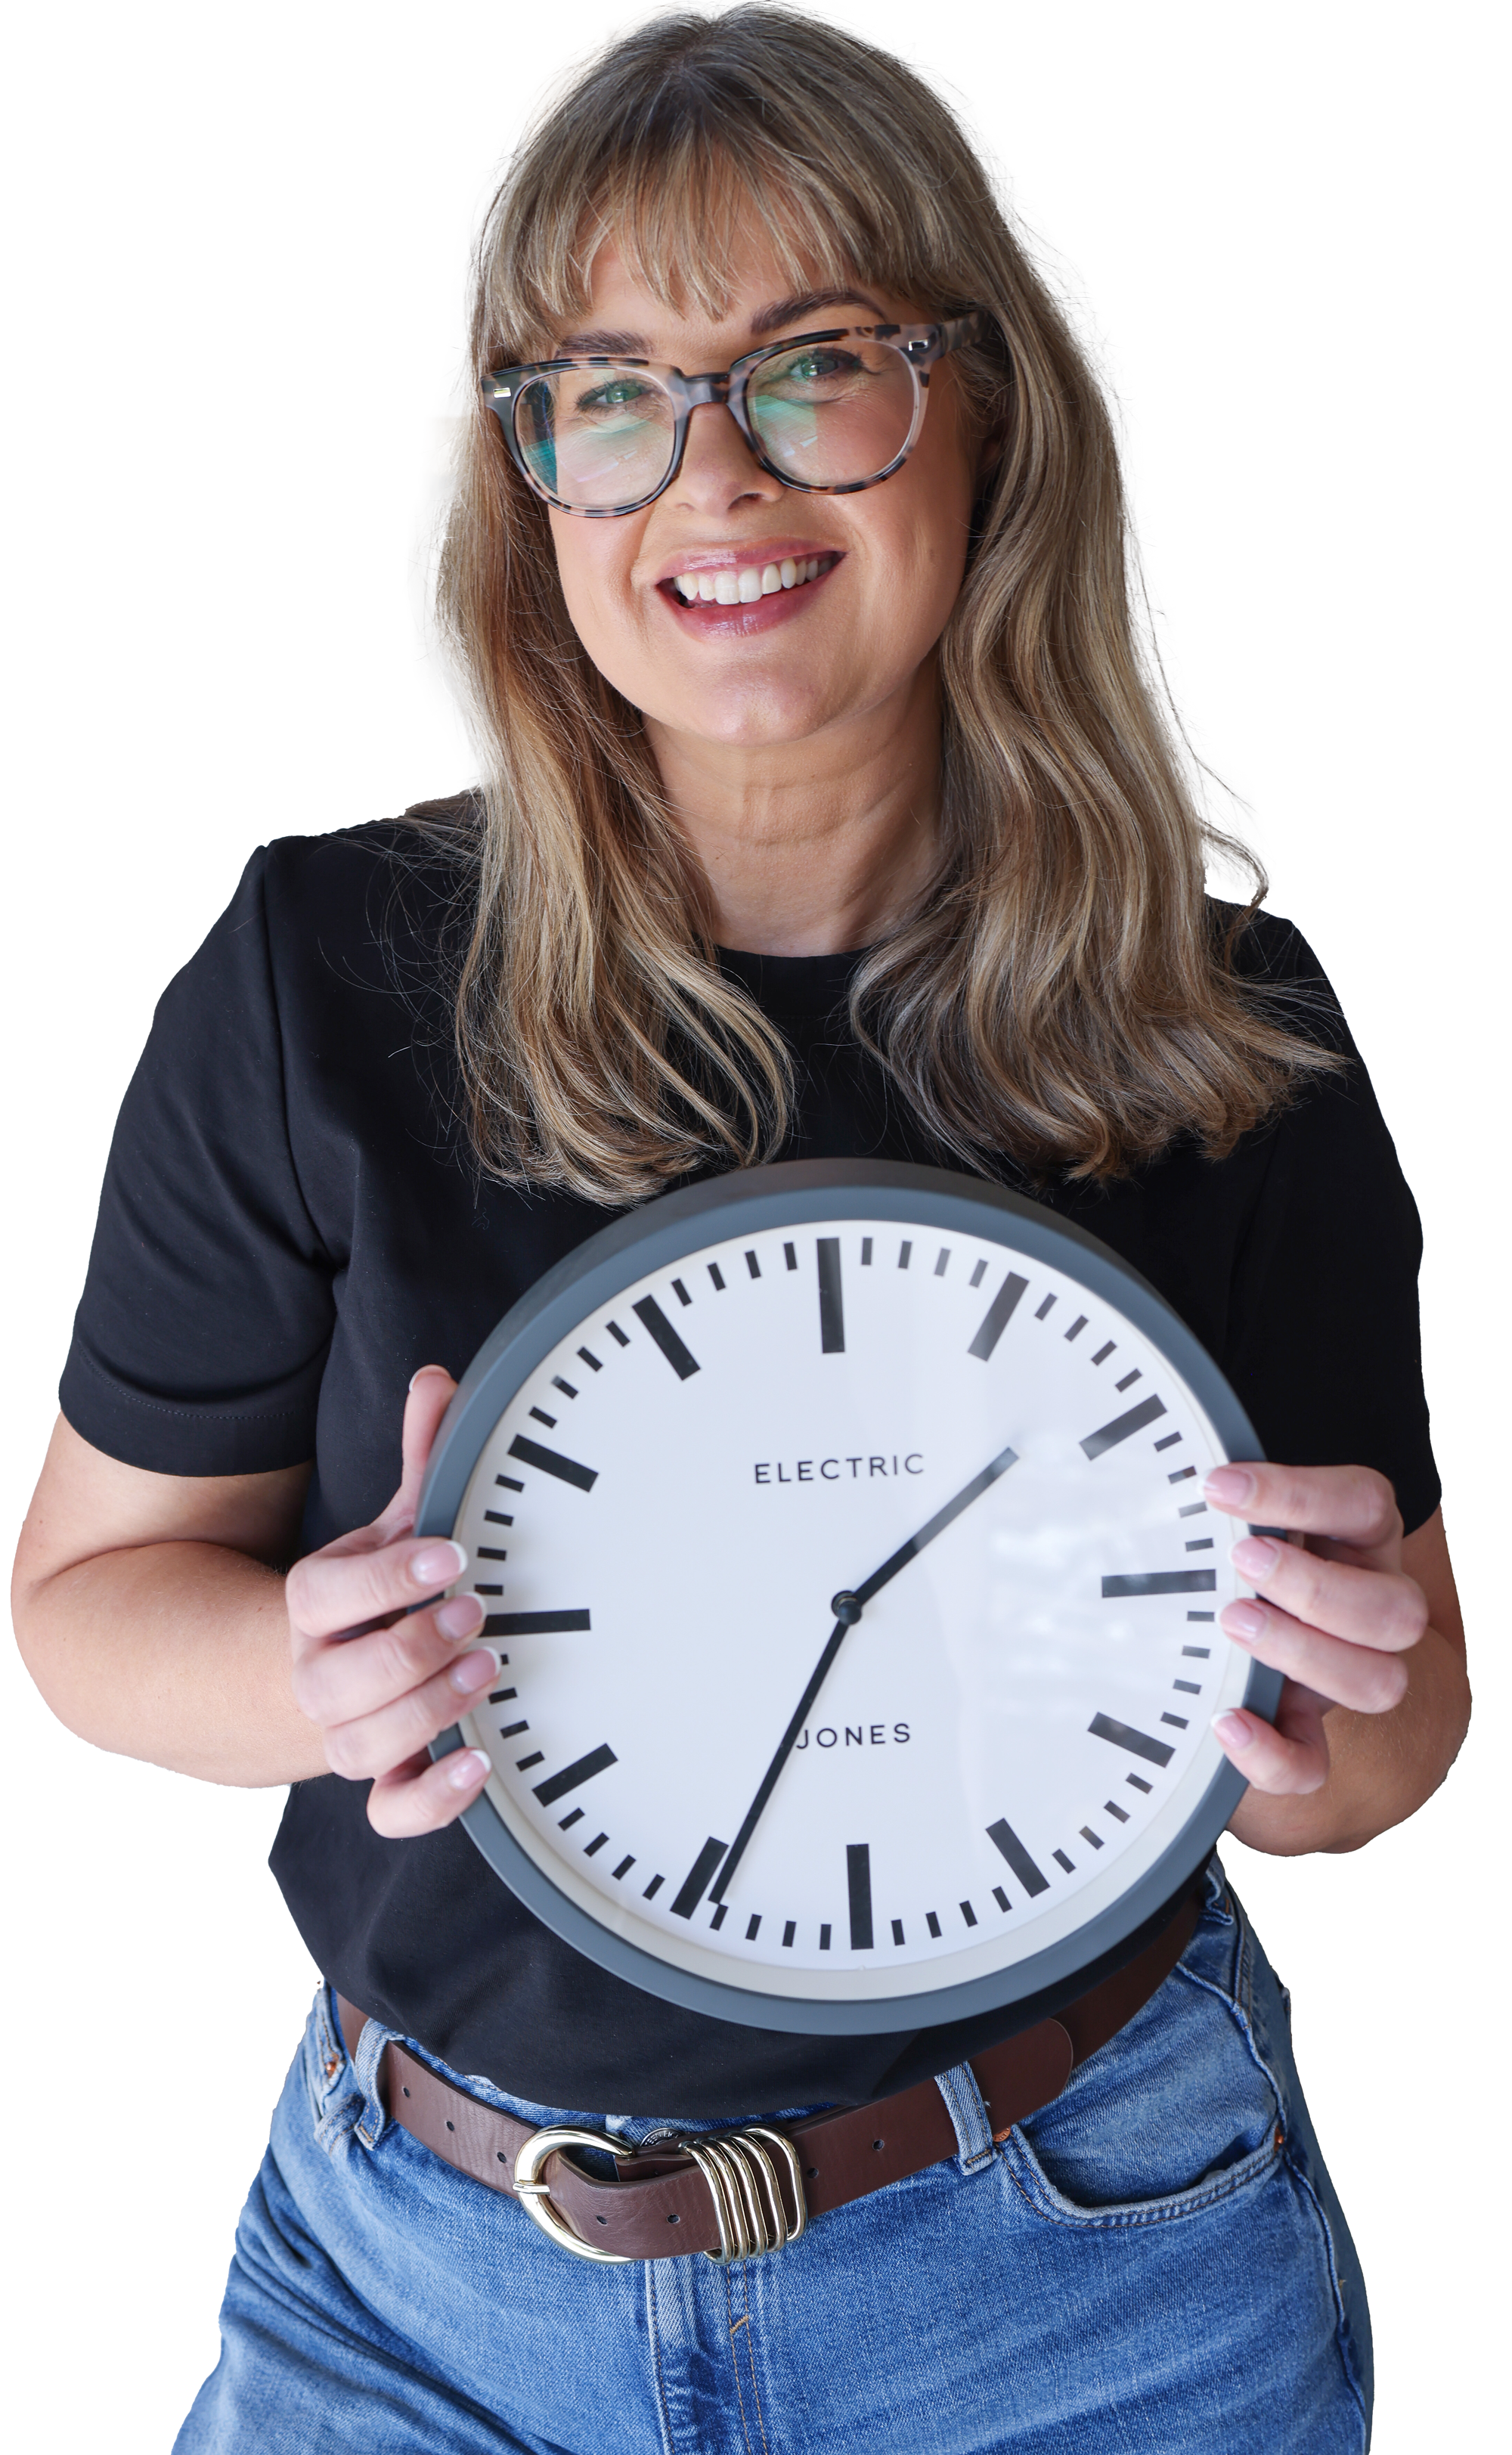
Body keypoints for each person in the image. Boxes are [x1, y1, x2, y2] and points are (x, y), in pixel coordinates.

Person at [13, 9, 1472, 2449]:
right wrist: (314, 1675)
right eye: (606, 392)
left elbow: (1391, 1715)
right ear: (529, 485)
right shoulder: (316, 979)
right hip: (419, 2286)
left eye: (815, 368)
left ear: (983, 417)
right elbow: (86, 1611)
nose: (714, 474)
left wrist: (1337, 1713)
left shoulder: (1217, 1028)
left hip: (1092, 2280)